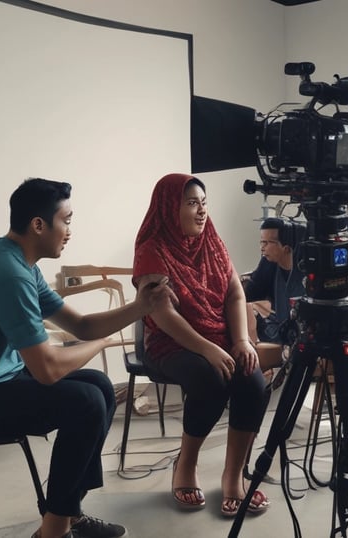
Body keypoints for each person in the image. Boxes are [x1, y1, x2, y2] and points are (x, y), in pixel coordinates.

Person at [0, 178, 172, 538]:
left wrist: (140, 306)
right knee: (86, 401)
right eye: (67, 220)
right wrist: (103, 343)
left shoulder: (18, 261)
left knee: (100, 386)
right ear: (38, 225)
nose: (70, 230)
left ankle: (68, 513)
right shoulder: (9, 274)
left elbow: (82, 324)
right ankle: (54, 530)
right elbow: (46, 369)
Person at [132, 173, 270, 517]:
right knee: (211, 378)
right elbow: (161, 314)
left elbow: (235, 292)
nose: (201, 212)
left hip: (219, 337)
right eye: (192, 203)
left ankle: (233, 476)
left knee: (253, 382)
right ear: (169, 207)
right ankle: (186, 466)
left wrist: (241, 340)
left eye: (204, 204)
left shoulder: (211, 240)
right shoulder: (152, 249)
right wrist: (208, 349)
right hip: (168, 342)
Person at [244, 217, 306, 348]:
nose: (262, 248)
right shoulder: (268, 264)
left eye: (267, 243)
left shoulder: (304, 268)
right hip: (280, 330)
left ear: (286, 248)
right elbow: (250, 293)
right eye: (261, 242)